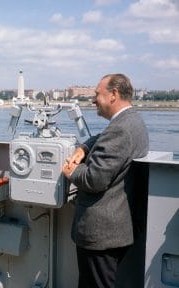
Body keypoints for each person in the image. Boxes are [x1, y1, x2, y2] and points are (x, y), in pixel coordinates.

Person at [62, 73, 149, 288]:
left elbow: (94, 179)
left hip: (101, 234)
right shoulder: (132, 121)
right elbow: (104, 138)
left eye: (97, 95)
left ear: (113, 95)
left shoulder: (119, 129)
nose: (93, 100)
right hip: (119, 226)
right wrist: (84, 148)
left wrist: (72, 171)